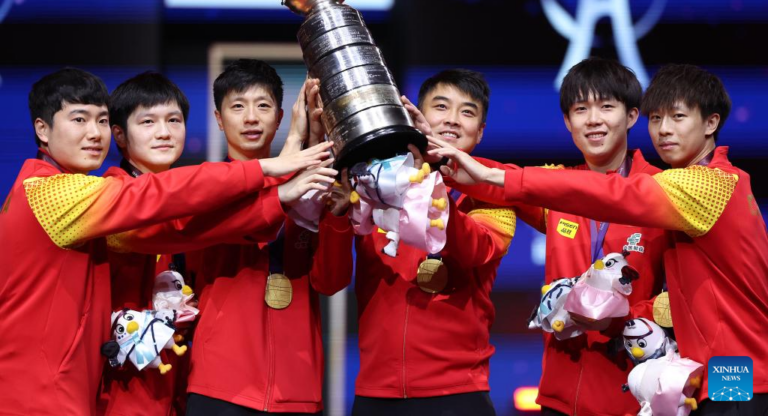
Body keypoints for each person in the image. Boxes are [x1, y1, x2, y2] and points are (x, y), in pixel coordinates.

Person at [430, 64, 768, 414]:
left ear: (711, 123)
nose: (664, 130)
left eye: (678, 117)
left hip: (729, 376)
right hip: (677, 384)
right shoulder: (589, 187)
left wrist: (619, 317)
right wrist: (439, 158)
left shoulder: (701, 185)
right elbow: (516, 184)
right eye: (657, 119)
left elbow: (615, 197)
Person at [0, 67, 331, 415]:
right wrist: (267, 167)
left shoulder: (86, 204)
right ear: (42, 129)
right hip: (41, 397)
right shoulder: (51, 192)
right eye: (79, 120)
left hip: (79, 392)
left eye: (99, 121)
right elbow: (158, 196)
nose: (94, 134)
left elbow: (179, 228)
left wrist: (280, 196)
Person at [329, 69, 516, 416]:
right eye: (441, 107)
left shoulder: (494, 198)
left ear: (481, 132)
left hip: (459, 394)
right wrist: (337, 218)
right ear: (416, 115)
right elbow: (329, 280)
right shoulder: (374, 187)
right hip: (376, 393)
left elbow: (476, 250)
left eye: (467, 112)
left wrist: (425, 180)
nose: (452, 121)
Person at [184, 59, 352, 415]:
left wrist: (337, 216)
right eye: (237, 107)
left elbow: (331, 281)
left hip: (298, 388)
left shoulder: (309, 186)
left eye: (262, 106)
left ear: (278, 116)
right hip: (221, 385)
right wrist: (295, 152)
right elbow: (252, 227)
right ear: (218, 119)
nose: (250, 118)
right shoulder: (204, 184)